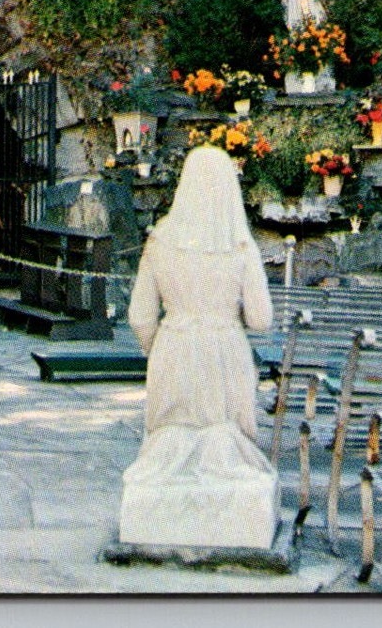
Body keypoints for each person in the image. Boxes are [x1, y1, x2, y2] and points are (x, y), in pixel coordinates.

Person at [118, 145, 277, 549]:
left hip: (174, 345)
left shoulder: (159, 242)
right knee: (223, 439)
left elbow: (139, 316)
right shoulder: (240, 247)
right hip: (225, 349)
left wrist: (157, 350)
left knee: (169, 441)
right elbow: (261, 319)